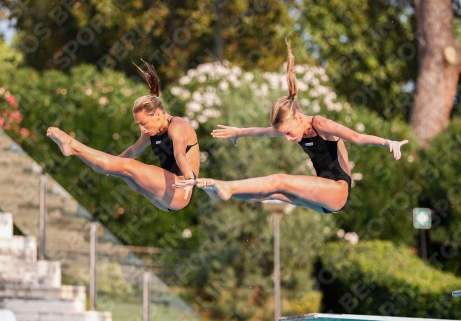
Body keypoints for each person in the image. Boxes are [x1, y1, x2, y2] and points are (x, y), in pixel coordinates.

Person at [174, 41, 407, 214]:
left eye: (287, 133)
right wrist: (238, 132)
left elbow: (356, 136)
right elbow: (262, 132)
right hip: (323, 202)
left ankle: (227, 187)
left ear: (298, 117)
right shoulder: (291, 127)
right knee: (274, 193)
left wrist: (388, 142)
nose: (287, 138)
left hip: (337, 190)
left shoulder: (320, 124)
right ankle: (221, 191)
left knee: (280, 179)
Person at [47, 61, 199, 212]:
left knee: (128, 166)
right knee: (123, 169)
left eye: (144, 123)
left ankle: (73, 146)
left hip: (182, 190)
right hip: (164, 199)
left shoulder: (177, 127)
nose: (142, 128)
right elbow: (133, 152)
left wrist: (189, 179)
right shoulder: (150, 132)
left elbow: (180, 155)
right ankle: (72, 149)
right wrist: (112, 164)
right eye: (138, 124)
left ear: (158, 114)